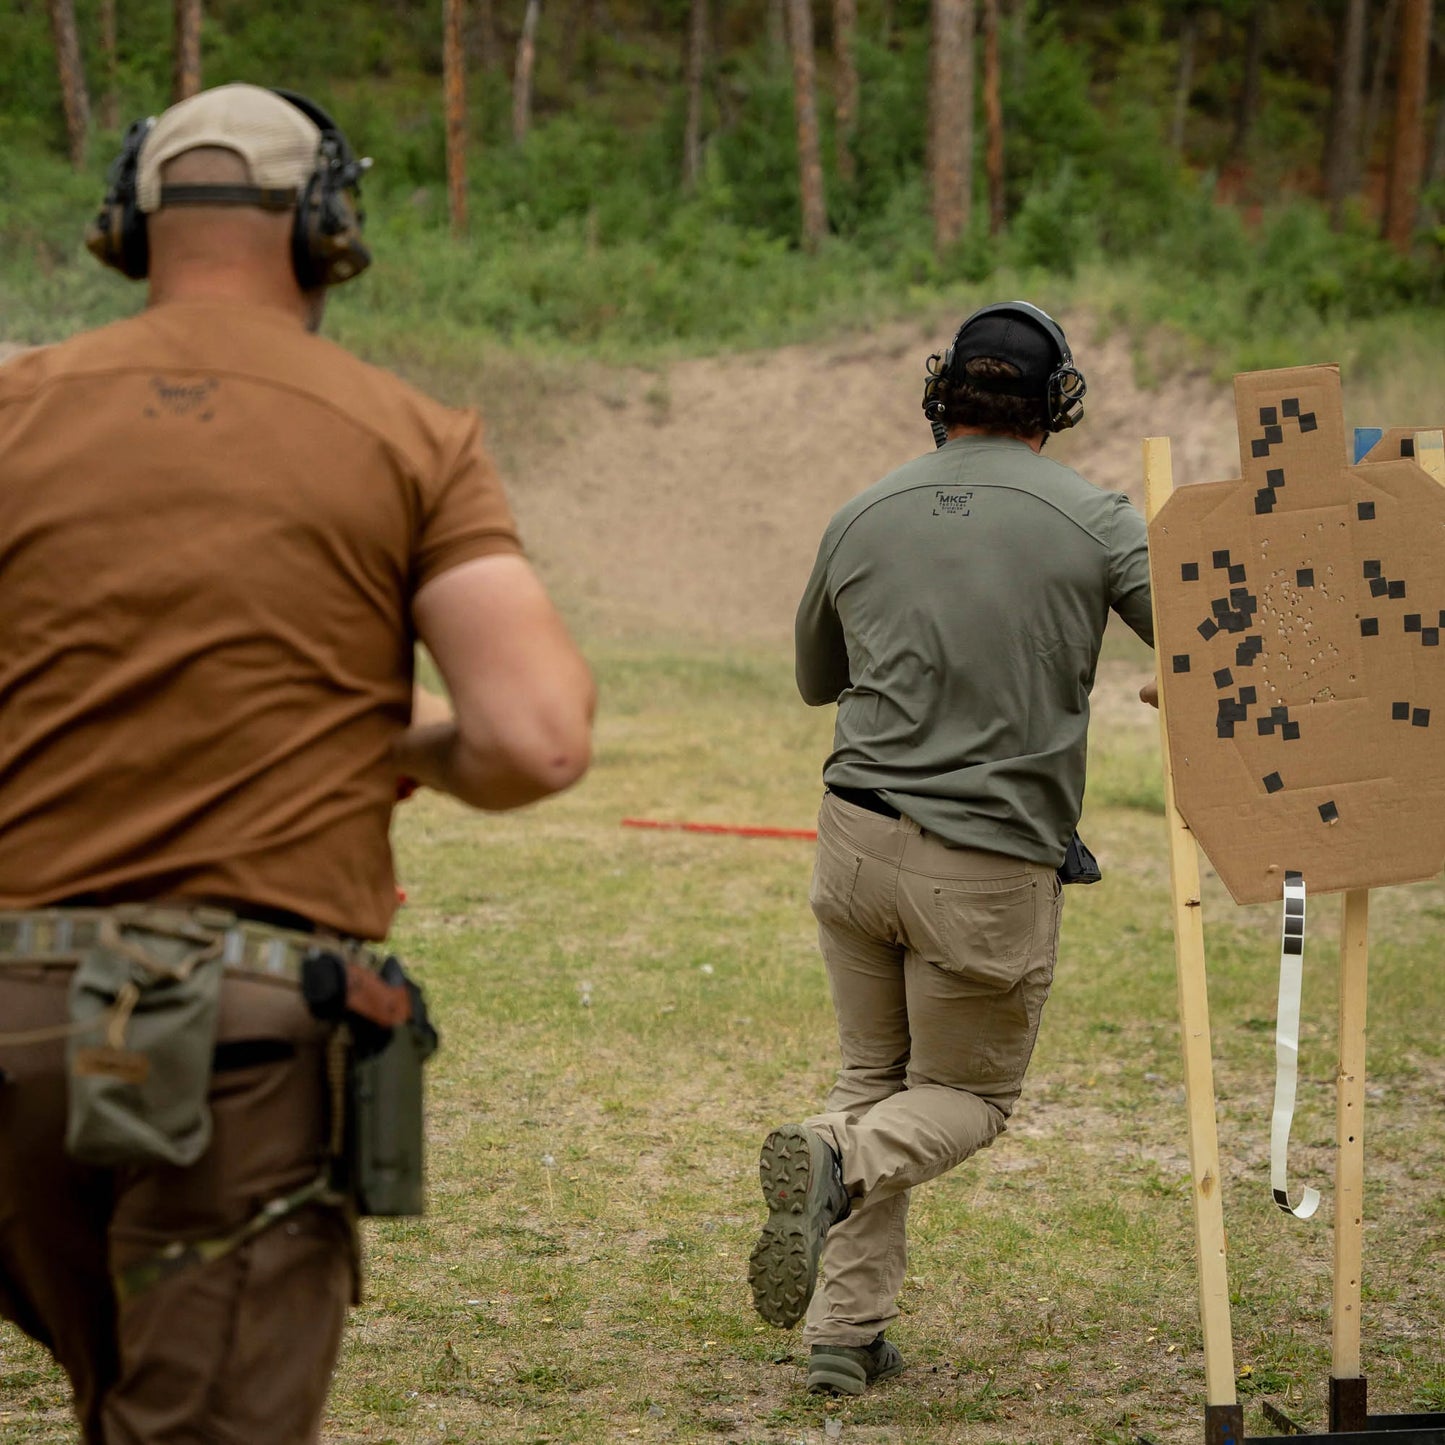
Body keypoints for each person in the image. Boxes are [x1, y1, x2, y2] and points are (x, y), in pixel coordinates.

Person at [0, 84, 594, 1443]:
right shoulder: (405, 434)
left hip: (16, 1028)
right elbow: (535, 735)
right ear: (329, 227)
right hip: (234, 1044)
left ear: (125, 228)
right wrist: (403, 746)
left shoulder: (13, 408)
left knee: (121, 1398)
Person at [747, 302, 1153, 1395]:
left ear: (941, 396)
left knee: (874, 1075)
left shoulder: (859, 510)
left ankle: (843, 1334)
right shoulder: (1099, 518)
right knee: (968, 1100)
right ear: (1054, 402)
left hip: (851, 837)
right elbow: (1210, 636)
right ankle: (840, 1160)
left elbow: (812, 678)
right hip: (982, 863)